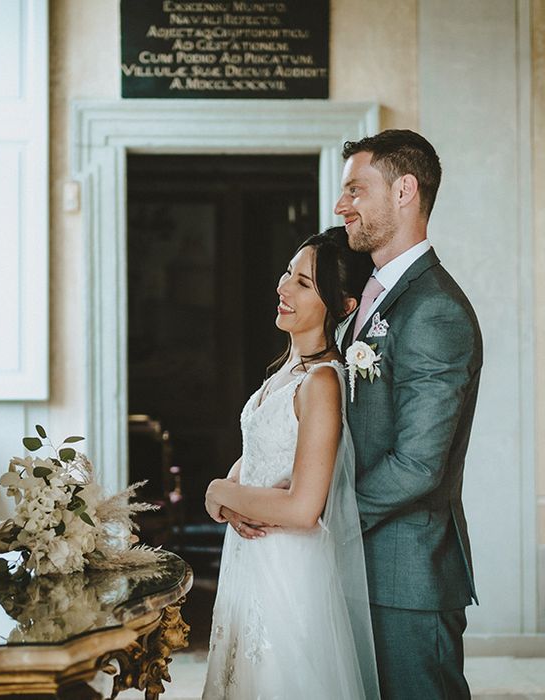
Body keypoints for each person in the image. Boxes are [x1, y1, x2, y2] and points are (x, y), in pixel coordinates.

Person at [335, 129, 483, 699]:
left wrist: (330, 522)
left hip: (408, 577)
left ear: (404, 190)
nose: (341, 205)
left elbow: (419, 465)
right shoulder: (373, 297)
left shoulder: (434, 308)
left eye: (355, 189)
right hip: (367, 566)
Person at [202, 227, 380, 699]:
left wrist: (220, 493)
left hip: (287, 569)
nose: (283, 287)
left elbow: (304, 509)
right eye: (287, 274)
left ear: (343, 306)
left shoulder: (322, 382)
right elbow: (256, 460)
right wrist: (227, 496)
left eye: (303, 283)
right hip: (249, 557)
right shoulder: (286, 370)